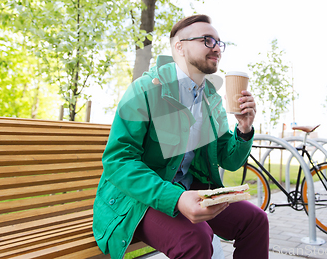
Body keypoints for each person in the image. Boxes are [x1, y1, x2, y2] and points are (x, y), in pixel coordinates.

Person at [92, 14, 269, 259]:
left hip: (189, 190)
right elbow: (118, 162)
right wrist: (175, 198)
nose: (217, 48)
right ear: (180, 47)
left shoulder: (211, 99)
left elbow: (227, 160)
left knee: (255, 220)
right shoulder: (145, 90)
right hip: (137, 200)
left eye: (219, 42)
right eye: (207, 40)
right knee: (194, 239)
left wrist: (244, 128)